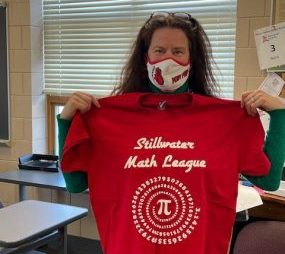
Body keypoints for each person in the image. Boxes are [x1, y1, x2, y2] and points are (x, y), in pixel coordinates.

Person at [58, 12, 285, 254]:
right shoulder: (109, 119)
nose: (168, 59)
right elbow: (74, 183)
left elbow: (269, 180)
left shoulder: (222, 121)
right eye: (159, 50)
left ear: (191, 59)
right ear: (145, 57)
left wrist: (280, 114)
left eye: (177, 51)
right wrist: (66, 121)